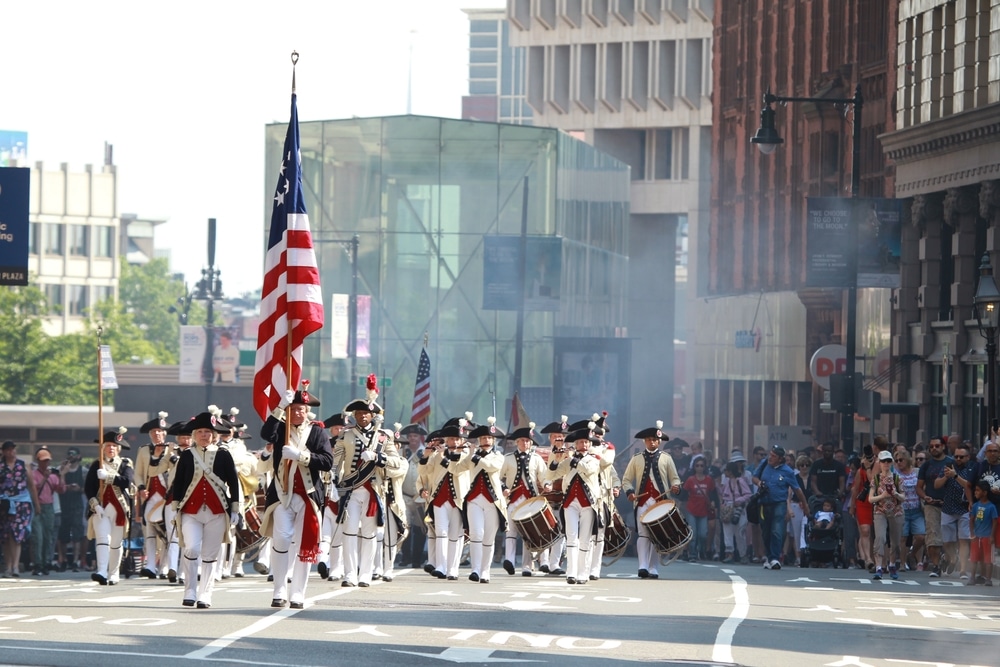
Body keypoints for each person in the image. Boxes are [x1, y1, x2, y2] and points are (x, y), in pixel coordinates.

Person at [260, 382, 334, 607]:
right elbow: (265, 432)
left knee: (304, 544)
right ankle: (279, 589)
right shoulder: (280, 429)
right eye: (293, 409)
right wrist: (280, 406)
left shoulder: (318, 432)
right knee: (281, 538)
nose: (297, 413)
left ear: (307, 411)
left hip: (308, 496)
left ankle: (298, 593)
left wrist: (301, 456)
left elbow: (327, 462)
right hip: (282, 495)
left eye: (301, 409)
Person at [170, 412, 239, 608]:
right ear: (194, 434)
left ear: (213, 434)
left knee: (209, 555)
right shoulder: (186, 456)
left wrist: (235, 508)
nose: (203, 435)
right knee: (191, 547)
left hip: (217, 511)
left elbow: (233, 482)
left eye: (207, 431)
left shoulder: (223, 455)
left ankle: (205, 594)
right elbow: (179, 484)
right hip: (191, 511)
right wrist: (176, 508)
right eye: (199, 431)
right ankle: (190, 590)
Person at [622, 421, 681, 579]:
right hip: (642, 502)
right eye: (649, 439)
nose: (652, 442)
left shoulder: (667, 458)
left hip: (660, 502)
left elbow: (675, 479)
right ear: (644, 442)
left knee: (657, 534)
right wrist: (630, 492)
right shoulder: (636, 459)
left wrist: (675, 487)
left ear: (659, 441)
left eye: (655, 439)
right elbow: (626, 480)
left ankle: (653, 567)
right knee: (643, 534)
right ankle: (642, 566)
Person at [420, 416, 472, 581]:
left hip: (458, 500)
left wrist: (442, 457)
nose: (454, 442)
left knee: (455, 534)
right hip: (439, 499)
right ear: (446, 440)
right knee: (441, 532)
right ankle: (441, 566)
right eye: (451, 439)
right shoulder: (437, 455)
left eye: (457, 439)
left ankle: (453, 568)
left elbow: (456, 470)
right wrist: (427, 454)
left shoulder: (466, 455)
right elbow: (424, 472)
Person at [549, 427, 603, 584]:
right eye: (580, 442)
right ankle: (570, 573)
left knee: (585, 539)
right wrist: (556, 459)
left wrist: (571, 458)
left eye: (586, 442)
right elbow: (552, 475)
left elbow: (587, 470)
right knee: (571, 537)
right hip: (570, 502)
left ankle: (582, 573)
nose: (584, 445)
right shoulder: (568, 461)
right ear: (576, 443)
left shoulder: (594, 460)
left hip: (588, 503)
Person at [459, 417, 506, 583]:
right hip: (474, 499)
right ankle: (475, 570)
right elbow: (456, 469)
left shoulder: (498, 456)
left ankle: (486, 571)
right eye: (483, 438)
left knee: (488, 537)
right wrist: (461, 453)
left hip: (492, 500)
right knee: (476, 533)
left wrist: (476, 458)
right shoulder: (472, 456)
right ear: (478, 440)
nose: (486, 441)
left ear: (493, 440)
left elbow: (491, 467)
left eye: (488, 438)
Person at [85, 428, 135, 586]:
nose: (111, 448)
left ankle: (114, 573)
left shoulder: (125, 464)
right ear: (103, 447)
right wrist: (95, 504)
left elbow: (127, 481)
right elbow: (89, 488)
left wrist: (108, 477)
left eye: (114, 446)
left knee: (115, 543)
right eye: (108, 445)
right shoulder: (96, 465)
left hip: (119, 509)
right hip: (101, 508)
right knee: (102, 539)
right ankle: (101, 571)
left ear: (118, 448)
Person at [499, 422, 550, 576]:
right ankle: (509, 560)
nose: (525, 443)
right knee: (511, 531)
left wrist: (547, 484)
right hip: (513, 500)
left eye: (527, 441)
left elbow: (544, 476)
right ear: (517, 442)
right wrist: (504, 489)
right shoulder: (507, 459)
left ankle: (527, 566)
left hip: (530, 501)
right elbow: (498, 478)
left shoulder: (537, 459)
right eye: (522, 440)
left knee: (529, 533)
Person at [751, 445, 808, 570]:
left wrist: (805, 505)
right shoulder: (764, 463)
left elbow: (797, 489)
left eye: (773, 456)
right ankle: (769, 556)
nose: (770, 457)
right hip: (764, 502)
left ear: (780, 459)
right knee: (765, 532)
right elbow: (754, 477)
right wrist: (759, 483)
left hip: (779, 503)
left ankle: (775, 558)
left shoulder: (788, 471)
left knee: (777, 530)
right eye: (770, 454)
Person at [134, 411, 174, 579]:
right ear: (150, 434)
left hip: (167, 496)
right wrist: (141, 487)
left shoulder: (172, 449)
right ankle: (151, 564)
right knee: (149, 530)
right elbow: (138, 473)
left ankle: (164, 567)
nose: (157, 434)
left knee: (166, 532)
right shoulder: (143, 451)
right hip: (150, 496)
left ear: (164, 433)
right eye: (154, 432)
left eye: (160, 431)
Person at [1, 440, 40, 578]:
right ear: (4, 452)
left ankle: (15, 566)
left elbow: (31, 486)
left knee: (16, 535)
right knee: (6, 536)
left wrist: (36, 504)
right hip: (5, 504)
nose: (11, 452)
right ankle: (8, 566)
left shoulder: (23, 465)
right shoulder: (1, 466)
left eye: (13, 449)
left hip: (21, 503)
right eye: (8, 450)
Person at [917, 435, 954, 577]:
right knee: (933, 537)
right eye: (931, 446)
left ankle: (951, 559)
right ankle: (936, 566)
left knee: (949, 538)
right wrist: (924, 496)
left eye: (937, 446)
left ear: (943, 446)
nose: (934, 448)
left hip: (949, 506)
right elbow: (919, 487)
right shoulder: (926, 465)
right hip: (931, 505)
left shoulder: (951, 462)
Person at [316, 411, 347, 582]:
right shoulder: (324, 445)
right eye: (337, 428)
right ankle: (324, 562)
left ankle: (334, 567)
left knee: (337, 536)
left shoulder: (350, 446)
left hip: (341, 496)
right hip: (326, 496)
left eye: (342, 427)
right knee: (326, 535)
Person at [869, 450, 905, 580]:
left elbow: (903, 497)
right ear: (879, 463)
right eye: (883, 461)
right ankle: (879, 567)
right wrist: (883, 495)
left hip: (896, 511)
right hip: (880, 510)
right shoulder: (876, 479)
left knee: (895, 541)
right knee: (880, 538)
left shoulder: (897, 478)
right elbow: (870, 499)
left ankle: (892, 564)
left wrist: (895, 494)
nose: (886, 464)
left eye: (888, 461)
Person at [941, 443, 975, 579]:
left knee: (963, 540)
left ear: (968, 457)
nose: (958, 459)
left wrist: (955, 476)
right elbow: (937, 484)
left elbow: (968, 485)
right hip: (948, 507)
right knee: (947, 541)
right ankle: (952, 557)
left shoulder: (973, 467)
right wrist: (946, 476)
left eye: (961, 457)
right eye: (956, 456)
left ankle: (962, 570)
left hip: (964, 508)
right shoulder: (949, 465)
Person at [31, 446, 63, 575]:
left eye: (48, 460)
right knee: (37, 536)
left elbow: (60, 489)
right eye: (43, 460)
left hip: (49, 507)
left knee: (48, 536)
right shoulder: (34, 474)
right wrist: (44, 478)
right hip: (37, 506)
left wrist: (62, 475)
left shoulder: (53, 476)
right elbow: (33, 489)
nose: (46, 463)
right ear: (38, 461)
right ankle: (37, 563)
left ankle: (46, 562)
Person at [893, 449, 925, 571]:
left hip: (917, 509)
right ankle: (902, 563)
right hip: (902, 510)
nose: (899, 462)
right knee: (903, 538)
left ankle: (911, 555)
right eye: (896, 461)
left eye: (901, 460)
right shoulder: (895, 474)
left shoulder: (916, 472)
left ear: (907, 460)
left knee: (921, 536)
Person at [56, 446, 86, 572]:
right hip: (64, 504)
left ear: (79, 456)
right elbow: (58, 487)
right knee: (63, 534)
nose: (71, 456)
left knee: (77, 534)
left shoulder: (83, 471)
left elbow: (88, 488)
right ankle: (63, 559)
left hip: (77, 504)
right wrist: (63, 474)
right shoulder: (61, 469)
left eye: (73, 454)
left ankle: (75, 560)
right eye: (69, 454)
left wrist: (79, 489)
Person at [682, 456, 717, 562]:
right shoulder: (690, 480)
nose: (699, 467)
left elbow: (713, 493)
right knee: (693, 533)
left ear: (705, 467)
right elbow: (683, 493)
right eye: (697, 465)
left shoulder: (709, 480)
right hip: (691, 509)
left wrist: (713, 502)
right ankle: (692, 554)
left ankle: (701, 550)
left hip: (703, 510)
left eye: (702, 465)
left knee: (703, 534)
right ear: (694, 467)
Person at [720, 456, 751, 563]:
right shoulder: (726, 482)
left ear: (730, 471)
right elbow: (723, 495)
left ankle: (742, 554)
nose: (725, 472)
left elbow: (748, 494)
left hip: (739, 508)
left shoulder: (740, 481)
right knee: (727, 531)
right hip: (728, 507)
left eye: (726, 470)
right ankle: (729, 553)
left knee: (740, 532)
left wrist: (739, 500)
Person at [849, 450, 876, 572]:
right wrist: (852, 506)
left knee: (876, 533)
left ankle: (875, 558)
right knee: (865, 531)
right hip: (863, 502)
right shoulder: (860, 472)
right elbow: (855, 490)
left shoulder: (879, 470)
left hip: (876, 502)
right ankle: (868, 559)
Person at [968, 481, 997, 586]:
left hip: (987, 537)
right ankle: (972, 577)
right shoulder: (975, 506)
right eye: (975, 490)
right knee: (974, 558)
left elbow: (994, 522)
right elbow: (971, 520)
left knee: (988, 560)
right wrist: (972, 533)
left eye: (978, 490)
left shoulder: (991, 507)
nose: (975, 492)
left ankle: (988, 579)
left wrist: (992, 536)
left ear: (984, 493)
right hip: (976, 536)